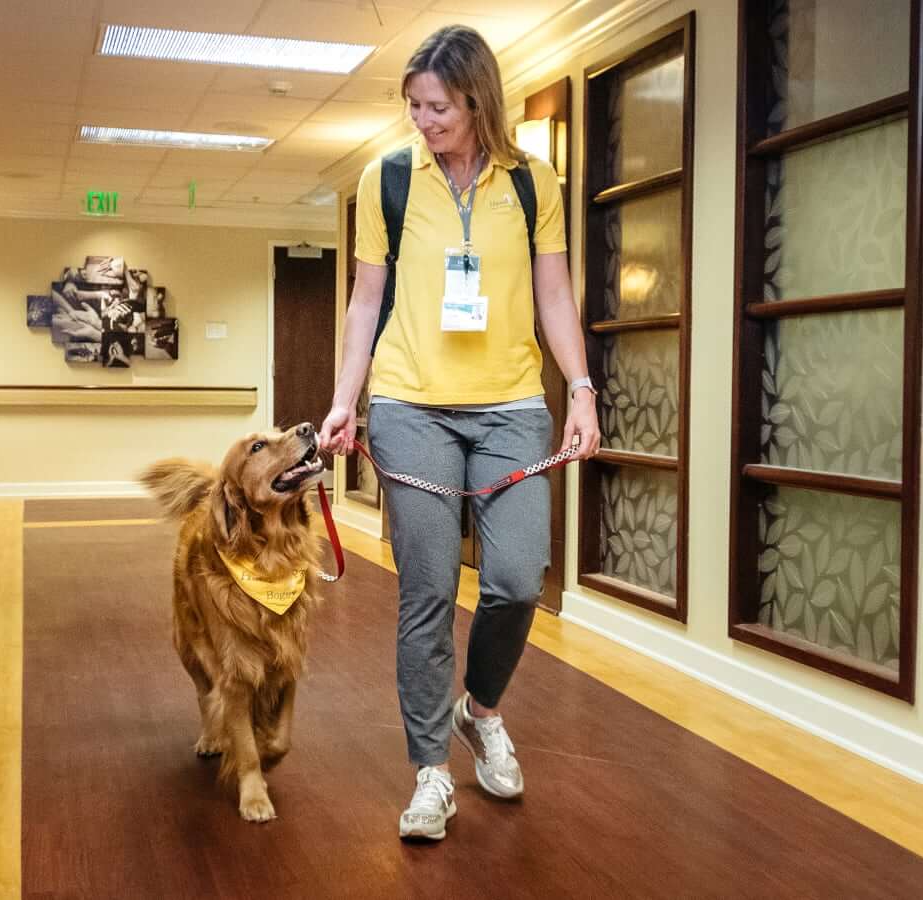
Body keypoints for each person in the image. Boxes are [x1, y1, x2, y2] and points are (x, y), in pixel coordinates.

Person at [317, 24, 601, 842]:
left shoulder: (531, 181)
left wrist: (578, 390)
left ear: (478, 100)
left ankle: (480, 711)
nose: (423, 119)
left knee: (517, 580)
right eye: (412, 104)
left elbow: (554, 295)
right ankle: (431, 772)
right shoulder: (389, 180)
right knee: (428, 591)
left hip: (512, 404)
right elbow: (366, 300)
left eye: (437, 105)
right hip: (410, 403)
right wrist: (347, 398)